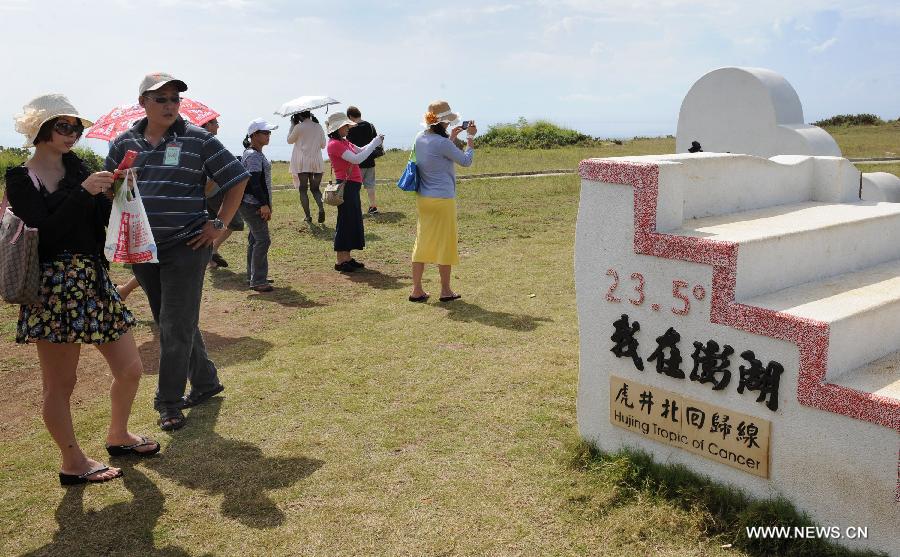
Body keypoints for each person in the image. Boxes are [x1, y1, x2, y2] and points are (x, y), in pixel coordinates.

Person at [6, 94, 159, 486]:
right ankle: (72, 462)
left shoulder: (79, 168)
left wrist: (116, 192)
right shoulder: (21, 178)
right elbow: (47, 230)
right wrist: (83, 193)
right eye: (64, 126)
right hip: (53, 285)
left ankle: (118, 434)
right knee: (60, 384)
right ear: (41, 129)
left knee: (130, 368)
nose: (73, 134)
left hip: (93, 277)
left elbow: (98, 224)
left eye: (77, 127)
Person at [105, 72, 249, 431]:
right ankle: (205, 381)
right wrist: (113, 187)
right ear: (143, 103)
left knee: (174, 323)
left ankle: (168, 401)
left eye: (175, 99)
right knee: (172, 321)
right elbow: (110, 189)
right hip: (142, 247)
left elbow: (237, 178)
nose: (170, 105)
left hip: (187, 244)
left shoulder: (197, 139)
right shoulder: (124, 143)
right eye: (161, 99)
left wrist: (218, 224)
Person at [408, 100, 476, 303]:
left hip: (424, 198)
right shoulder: (442, 143)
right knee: (445, 243)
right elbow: (466, 161)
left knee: (422, 242)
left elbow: (436, 153)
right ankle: (445, 290)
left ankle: (417, 289)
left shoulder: (420, 138)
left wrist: (452, 138)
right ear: (445, 121)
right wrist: (470, 138)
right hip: (443, 198)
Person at [324, 112, 383, 272]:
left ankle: (346, 258)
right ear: (338, 128)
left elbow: (360, 151)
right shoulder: (334, 144)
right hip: (347, 186)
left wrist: (373, 143)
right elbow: (357, 159)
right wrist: (375, 142)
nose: (348, 128)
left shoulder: (343, 141)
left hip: (352, 185)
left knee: (351, 221)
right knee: (345, 221)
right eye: (345, 126)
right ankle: (340, 260)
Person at [239, 118, 277, 293]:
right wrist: (263, 204)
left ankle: (253, 276)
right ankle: (258, 280)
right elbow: (254, 182)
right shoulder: (253, 155)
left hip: (251, 203)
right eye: (265, 132)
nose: (268, 135)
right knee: (262, 240)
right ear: (254, 135)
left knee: (255, 240)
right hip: (252, 203)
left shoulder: (253, 153)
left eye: (269, 132)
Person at [203, 118, 246, 269]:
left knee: (211, 225)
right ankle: (212, 252)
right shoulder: (208, 143)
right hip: (215, 191)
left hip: (207, 194)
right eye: (215, 123)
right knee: (233, 223)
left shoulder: (197, 141)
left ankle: (209, 256)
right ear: (207, 124)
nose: (218, 126)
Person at [287, 110, 327, 224]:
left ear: (299, 115)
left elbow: (289, 140)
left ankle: (308, 216)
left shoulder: (298, 127)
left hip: (303, 162)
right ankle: (321, 208)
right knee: (315, 189)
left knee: (303, 189)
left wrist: (292, 125)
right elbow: (323, 145)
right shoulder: (318, 126)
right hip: (317, 162)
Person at [346, 106, 382, 215]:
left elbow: (349, 146)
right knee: (370, 185)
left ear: (350, 116)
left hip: (357, 161)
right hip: (370, 160)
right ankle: (373, 206)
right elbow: (377, 142)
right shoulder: (370, 126)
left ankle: (356, 209)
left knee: (355, 187)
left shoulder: (351, 128)